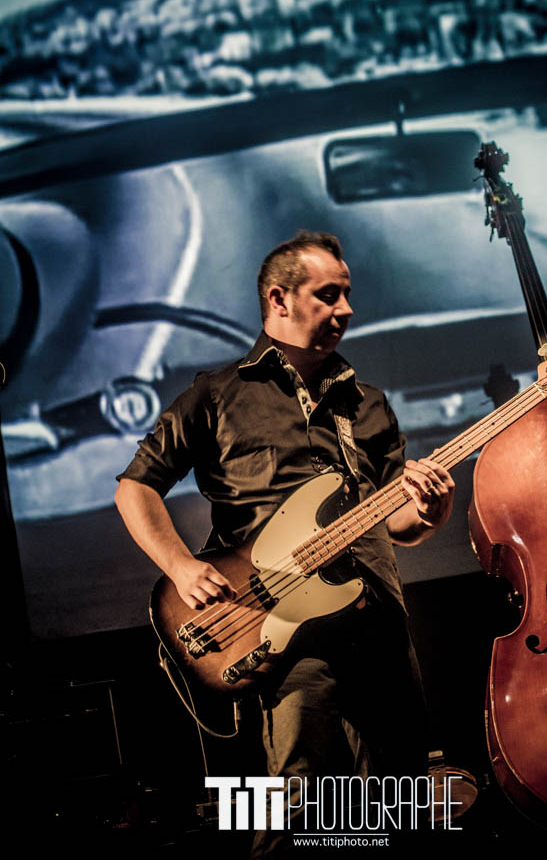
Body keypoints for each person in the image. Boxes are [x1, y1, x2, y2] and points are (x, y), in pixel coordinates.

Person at [115, 231, 454, 853]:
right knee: (299, 803)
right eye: (329, 295)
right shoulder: (216, 395)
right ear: (280, 298)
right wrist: (183, 568)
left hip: (378, 621)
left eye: (347, 294)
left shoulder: (369, 404)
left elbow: (398, 526)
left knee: (398, 802)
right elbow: (135, 490)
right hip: (277, 623)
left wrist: (429, 511)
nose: (346, 309)